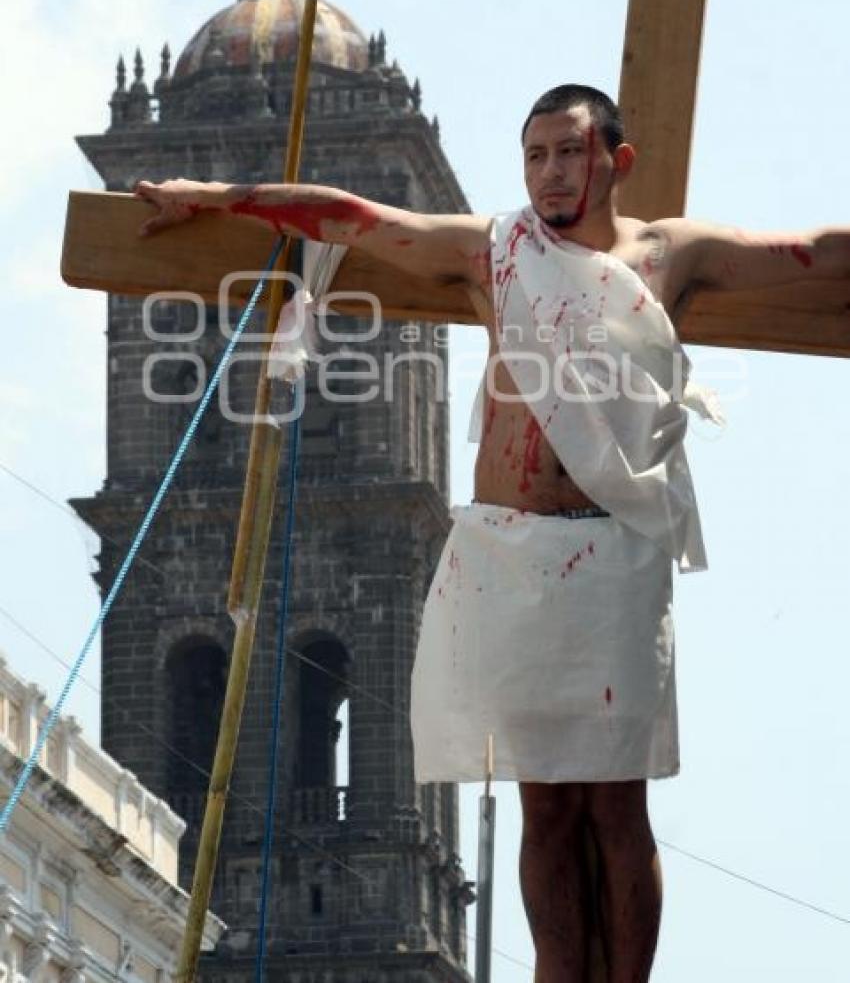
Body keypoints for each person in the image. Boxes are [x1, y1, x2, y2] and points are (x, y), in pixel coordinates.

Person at [136, 83, 850, 983]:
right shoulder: (493, 250)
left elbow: (812, 253)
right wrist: (206, 198)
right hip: (511, 555)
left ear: (615, 161)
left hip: (616, 550)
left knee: (616, 807)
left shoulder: (673, 253)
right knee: (545, 805)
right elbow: (348, 215)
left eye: (570, 151)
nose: (552, 172)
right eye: (536, 154)